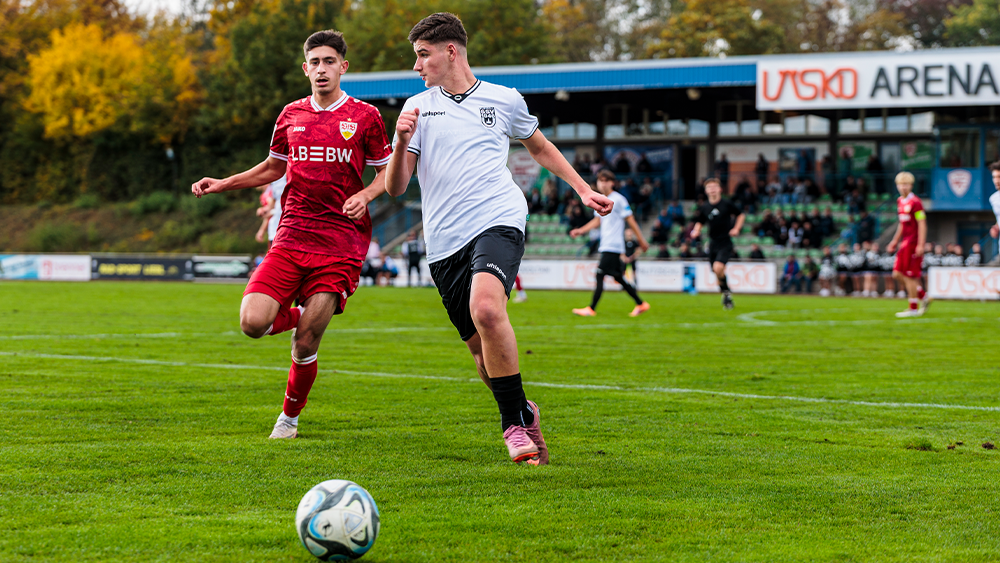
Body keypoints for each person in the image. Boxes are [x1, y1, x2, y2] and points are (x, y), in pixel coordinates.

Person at [385, 12, 613, 466]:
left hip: (498, 217)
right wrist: (398, 140)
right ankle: (524, 412)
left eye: (422, 55)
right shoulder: (417, 109)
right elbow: (395, 187)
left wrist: (583, 187)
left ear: (451, 51)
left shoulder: (504, 99)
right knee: (482, 358)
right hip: (444, 242)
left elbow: (540, 147)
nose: (417, 66)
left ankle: (511, 425)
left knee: (488, 308)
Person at [190, 30, 392, 439]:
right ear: (305, 68)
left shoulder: (365, 117)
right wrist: (224, 183)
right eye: (314, 62)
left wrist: (368, 195)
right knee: (251, 322)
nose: (321, 69)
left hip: (340, 242)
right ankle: (300, 315)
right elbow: (272, 168)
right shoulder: (291, 115)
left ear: (343, 67)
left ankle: (289, 418)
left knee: (305, 344)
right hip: (292, 235)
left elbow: (386, 172)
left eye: (329, 61)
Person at [569, 170, 650, 317]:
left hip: (613, 245)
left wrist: (642, 241)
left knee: (600, 275)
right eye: (600, 180)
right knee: (618, 277)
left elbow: (631, 221)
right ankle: (641, 303)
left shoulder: (618, 199)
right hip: (606, 244)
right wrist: (580, 230)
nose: (602, 183)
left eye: (606, 180)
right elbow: (597, 220)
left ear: (612, 182)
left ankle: (591, 308)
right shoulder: (600, 199)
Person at [690, 178, 745, 310]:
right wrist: (696, 230)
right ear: (706, 191)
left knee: (718, 267)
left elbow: (741, 215)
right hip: (712, 244)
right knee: (717, 272)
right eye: (709, 187)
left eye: (715, 186)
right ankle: (726, 294)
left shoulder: (727, 204)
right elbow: (700, 221)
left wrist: (736, 228)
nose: (712, 189)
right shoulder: (704, 207)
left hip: (725, 242)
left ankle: (726, 293)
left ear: (720, 189)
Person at [885, 172, 930, 317]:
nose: (903, 187)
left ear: (911, 185)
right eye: (900, 184)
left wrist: (921, 244)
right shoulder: (900, 201)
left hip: (913, 243)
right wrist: (894, 240)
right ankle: (923, 296)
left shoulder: (916, 202)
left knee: (909, 276)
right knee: (897, 274)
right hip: (904, 243)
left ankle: (913, 308)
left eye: (906, 184)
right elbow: (901, 224)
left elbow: (922, 224)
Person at [989, 161, 1000, 239]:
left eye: (999, 177)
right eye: (994, 177)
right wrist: (996, 227)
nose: (996, 180)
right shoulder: (993, 199)